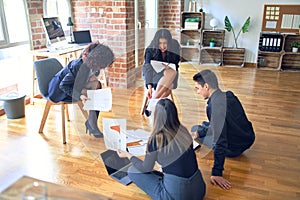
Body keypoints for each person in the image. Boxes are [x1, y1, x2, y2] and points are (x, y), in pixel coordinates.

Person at [117, 98, 206, 200]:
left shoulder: (156, 140)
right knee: (161, 172)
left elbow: (146, 168)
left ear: (157, 117)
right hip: (199, 190)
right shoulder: (183, 131)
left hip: (178, 195)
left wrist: (128, 155)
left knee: (132, 171)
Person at [192, 69, 255, 190]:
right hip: (247, 138)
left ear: (206, 86)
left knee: (196, 128)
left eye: (198, 88)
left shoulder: (214, 107)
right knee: (202, 127)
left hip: (234, 148)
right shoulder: (229, 95)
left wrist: (217, 172)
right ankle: (200, 131)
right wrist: (200, 132)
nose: (198, 92)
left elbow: (220, 141)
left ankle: (199, 131)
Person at [48, 42, 115, 138]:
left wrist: (91, 79)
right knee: (94, 93)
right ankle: (92, 124)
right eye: (101, 65)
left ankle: (92, 122)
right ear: (95, 61)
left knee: (97, 86)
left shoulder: (90, 65)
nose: (102, 68)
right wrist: (79, 95)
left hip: (73, 86)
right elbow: (63, 85)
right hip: (58, 91)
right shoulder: (78, 66)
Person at [142, 29, 180, 100]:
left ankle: (152, 103)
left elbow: (176, 63)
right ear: (156, 43)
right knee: (169, 86)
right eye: (160, 43)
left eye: (165, 43)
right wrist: (149, 86)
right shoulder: (150, 49)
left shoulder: (174, 46)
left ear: (169, 42)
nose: (162, 46)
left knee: (172, 72)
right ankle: (154, 105)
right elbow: (147, 68)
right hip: (153, 74)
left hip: (170, 73)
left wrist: (168, 66)